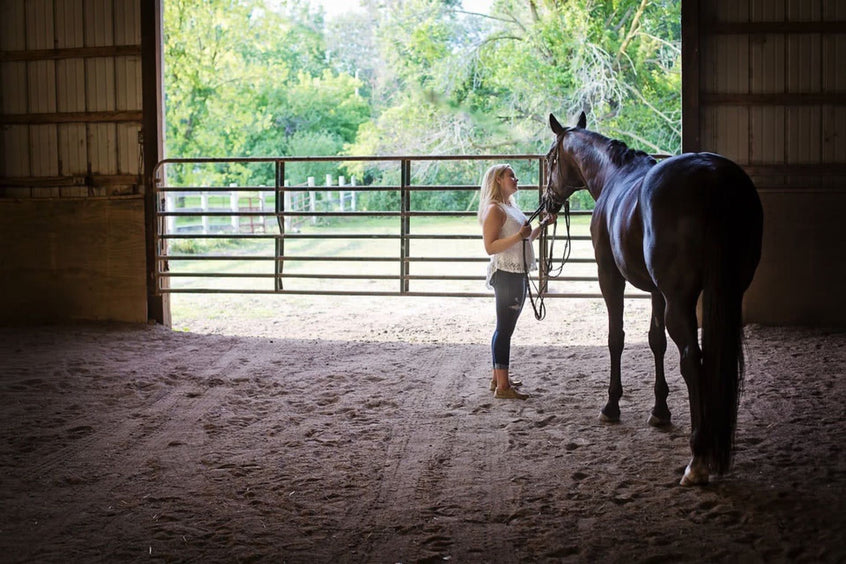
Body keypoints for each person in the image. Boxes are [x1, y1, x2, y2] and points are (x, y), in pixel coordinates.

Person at [478, 164, 554, 400]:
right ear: (498, 180)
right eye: (511, 175)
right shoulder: (494, 210)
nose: (516, 178)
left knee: (504, 328)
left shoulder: (509, 207)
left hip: (515, 272)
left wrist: (541, 226)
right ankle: (503, 387)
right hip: (506, 273)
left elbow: (524, 240)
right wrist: (518, 235)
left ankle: (498, 378)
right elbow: (490, 246)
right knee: (505, 329)